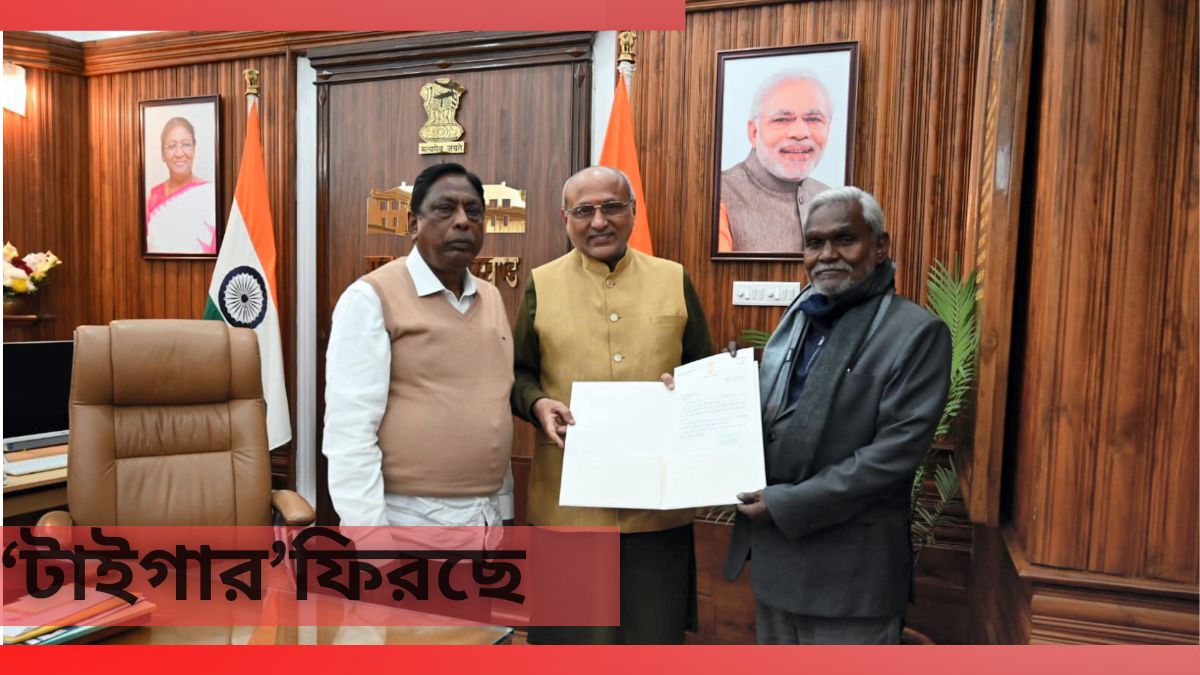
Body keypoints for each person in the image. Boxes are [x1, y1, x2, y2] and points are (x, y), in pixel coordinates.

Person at [725, 186, 951, 644]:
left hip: (851, 580)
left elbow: (891, 457)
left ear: (879, 246)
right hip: (777, 567)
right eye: (814, 243)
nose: (827, 255)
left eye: (844, 239)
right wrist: (717, 388)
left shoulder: (916, 334)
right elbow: (778, 415)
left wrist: (784, 504)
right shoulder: (799, 319)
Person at [511, 166, 714, 644]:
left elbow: (703, 369)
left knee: (651, 641)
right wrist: (537, 404)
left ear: (633, 212)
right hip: (569, 503)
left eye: (612, 207)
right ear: (565, 218)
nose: (599, 221)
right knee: (570, 645)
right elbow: (518, 374)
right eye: (584, 210)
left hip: (656, 504)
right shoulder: (542, 284)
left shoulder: (673, 279)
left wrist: (688, 388)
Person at [322, 162, 514, 530]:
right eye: (445, 209)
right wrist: (372, 541)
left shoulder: (490, 296)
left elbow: (493, 407)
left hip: (485, 518)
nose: (462, 221)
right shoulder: (370, 298)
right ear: (413, 224)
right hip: (406, 519)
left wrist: (504, 506)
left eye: (474, 211)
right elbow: (349, 433)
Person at [718, 71, 835, 253]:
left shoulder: (834, 201)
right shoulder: (717, 195)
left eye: (814, 119)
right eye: (781, 119)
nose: (800, 133)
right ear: (754, 132)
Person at [146, 117, 217, 254]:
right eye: (171, 146)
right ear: (162, 154)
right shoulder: (152, 198)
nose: (179, 154)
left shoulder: (210, 194)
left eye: (186, 144)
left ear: (194, 149)